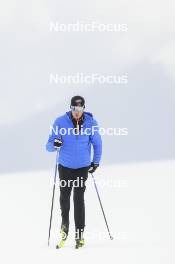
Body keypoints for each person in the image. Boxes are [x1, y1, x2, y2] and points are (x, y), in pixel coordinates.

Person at [46, 95, 102, 249]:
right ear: (70, 108)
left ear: (84, 108)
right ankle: (64, 233)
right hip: (65, 167)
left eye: (79, 108)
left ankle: (79, 236)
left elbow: (98, 143)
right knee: (64, 199)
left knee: (78, 199)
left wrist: (96, 162)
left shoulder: (91, 123)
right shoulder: (60, 122)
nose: (77, 112)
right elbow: (48, 145)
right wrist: (55, 144)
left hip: (82, 167)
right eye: (74, 109)